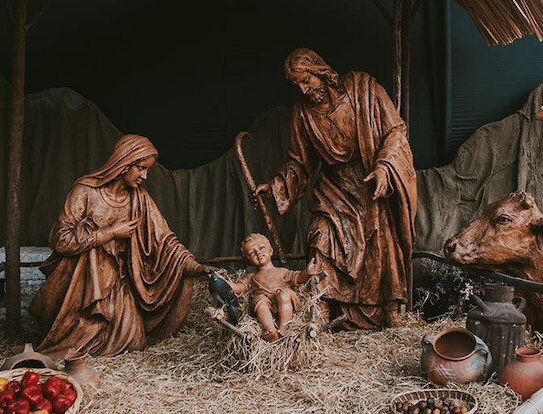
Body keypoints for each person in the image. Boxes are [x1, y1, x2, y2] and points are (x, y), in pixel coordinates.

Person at [253, 48, 416, 330]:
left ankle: (390, 309)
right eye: (298, 85)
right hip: (334, 186)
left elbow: (395, 131)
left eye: (307, 81)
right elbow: (299, 161)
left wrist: (384, 167)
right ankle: (323, 308)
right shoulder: (302, 113)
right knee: (321, 237)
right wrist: (276, 186)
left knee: (382, 237)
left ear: (320, 71)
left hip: (369, 178)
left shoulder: (364, 88)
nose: (304, 90)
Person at [29, 134, 214, 357]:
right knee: (77, 345)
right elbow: (61, 240)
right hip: (83, 285)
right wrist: (109, 234)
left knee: (134, 342)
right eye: (140, 168)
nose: (144, 176)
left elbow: (165, 240)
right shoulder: (85, 191)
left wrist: (193, 266)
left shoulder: (139, 199)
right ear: (124, 163)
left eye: (148, 170)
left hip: (118, 284)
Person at [224, 233, 319, 341]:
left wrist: (307, 272)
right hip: (265, 305)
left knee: (284, 294)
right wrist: (225, 283)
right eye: (251, 253)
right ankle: (270, 329)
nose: (258, 252)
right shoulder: (251, 277)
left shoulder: (282, 271)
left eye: (261, 248)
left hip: (284, 302)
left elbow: (298, 278)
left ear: (271, 250)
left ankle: (283, 327)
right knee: (259, 301)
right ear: (248, 260)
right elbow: (239, 288)